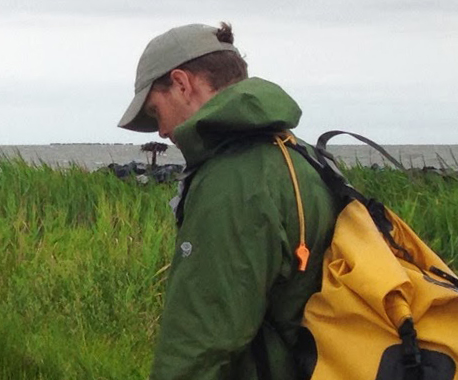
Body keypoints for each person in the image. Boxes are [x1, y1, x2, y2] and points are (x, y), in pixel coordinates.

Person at [117, 23, 336, 380]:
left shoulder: (233, 180)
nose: (161, 131)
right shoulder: (301, 157)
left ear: (182, 83)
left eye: (156, 111)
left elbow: (199, 345)